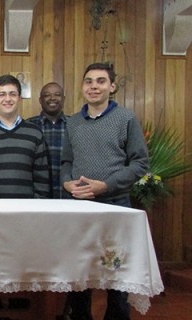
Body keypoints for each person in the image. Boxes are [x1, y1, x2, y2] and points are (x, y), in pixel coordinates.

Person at [60, 63, 149, 320]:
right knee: (80, 270)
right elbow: (66, 161)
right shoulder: (74, 122)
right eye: (88, 81)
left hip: (116, 204)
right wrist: (67, 181)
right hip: (79, 205)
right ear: (82, 87)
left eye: (100, 81)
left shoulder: (126, 118)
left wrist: (106, 185)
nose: (94, 86)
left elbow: (140, 163)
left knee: (116, 271)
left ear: (112, 86)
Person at [26, 82, 68, 199]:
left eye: (57, 94)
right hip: (36, 196)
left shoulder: (74, 125)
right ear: (40, 100)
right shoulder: (28, 126)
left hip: (68, 194)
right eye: (47, 95)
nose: (52, 98)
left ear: (63, 99)